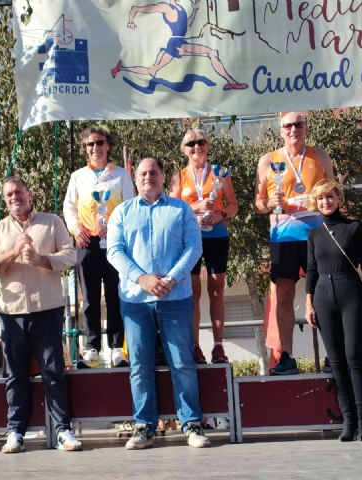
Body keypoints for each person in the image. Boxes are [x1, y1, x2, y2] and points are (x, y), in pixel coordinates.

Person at [107, 157, 210, 450]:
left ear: (163, 176)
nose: (148, 177)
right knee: (139, 365)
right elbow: (114, 251)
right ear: (135, 179)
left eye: (153, 172)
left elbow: (194, 246)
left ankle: (191, 424)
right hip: (136, 301)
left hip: (175, 298)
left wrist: (172, 279)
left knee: (182, 363)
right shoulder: (122, 213)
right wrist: (142, 279)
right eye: (142, 173)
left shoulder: (181, 209)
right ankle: (144, 427)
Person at [0, 177, 82, 453]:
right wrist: (13, 252)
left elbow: (71, 256)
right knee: (15, 375)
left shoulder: (52, 222)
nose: (15, 197)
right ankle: (15, 431)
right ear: (5, 200)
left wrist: (42, 260)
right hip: (12, 315)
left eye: (19, 192)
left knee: (53, 372)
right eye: (9, 194)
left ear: (29, 193)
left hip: (48, 310)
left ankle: (63, 430)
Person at [255, 111, 334, 375]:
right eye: (287, 126)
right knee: (284, 296)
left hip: (317, 234)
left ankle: (332, 355)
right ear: (281, 131)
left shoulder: (320, 156)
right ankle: (286, 357)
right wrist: (270, 203)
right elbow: (259, 203)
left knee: (324, 294)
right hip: (284, 235)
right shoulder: (268, 160)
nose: (293, 130)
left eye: (298, 124)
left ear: (306, 128)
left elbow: (333, 193)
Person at [305, 180, 362, 442]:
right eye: (321, 198)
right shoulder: (314, 234)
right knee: (336, 362)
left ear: (339, 199)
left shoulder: (354, 227)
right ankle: (348, 421)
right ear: (316, 202)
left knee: (354, 359)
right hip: (323, 296)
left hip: (352, 294)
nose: (326, 202)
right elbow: (311, 271)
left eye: (331, 197)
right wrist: (310, 303)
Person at [63, 125, 134, 369]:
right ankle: (91, 348)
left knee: (115, 295)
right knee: (90, 299)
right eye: (91, 144)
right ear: (85, 149)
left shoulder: (121, 175)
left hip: (114, 243)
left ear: (108, 145)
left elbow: (129, 207)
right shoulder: (77, 177)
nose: (96, 148)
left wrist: (115, 228)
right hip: (87, 242)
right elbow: (69, 208)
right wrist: (75, 229)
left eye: (100, 143)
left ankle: (116, 348)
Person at [170, 128, 238, 364]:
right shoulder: (179, 177)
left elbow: (233, 206)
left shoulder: (221, 172)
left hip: (217, 236)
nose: (196, 147)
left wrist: (220, 213)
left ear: (208, 146)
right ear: (184, 150)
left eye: (201, 142)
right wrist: (196, 207)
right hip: (189, 238)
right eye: (191, 144)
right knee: (192, 292)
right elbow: (170, 210)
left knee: (217, 290)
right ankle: (195, 346)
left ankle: (219, 347)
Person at [111, 0, 247, 91]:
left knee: (151, 71)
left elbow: (187, 24)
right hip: (176, 43)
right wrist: (130, 21)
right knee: (211, 53)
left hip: (179, 42)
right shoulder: (166, 7)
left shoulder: (180, 8)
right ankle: (231, 82)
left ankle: (121, 68)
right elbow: (135, 8)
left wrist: (195, 11)